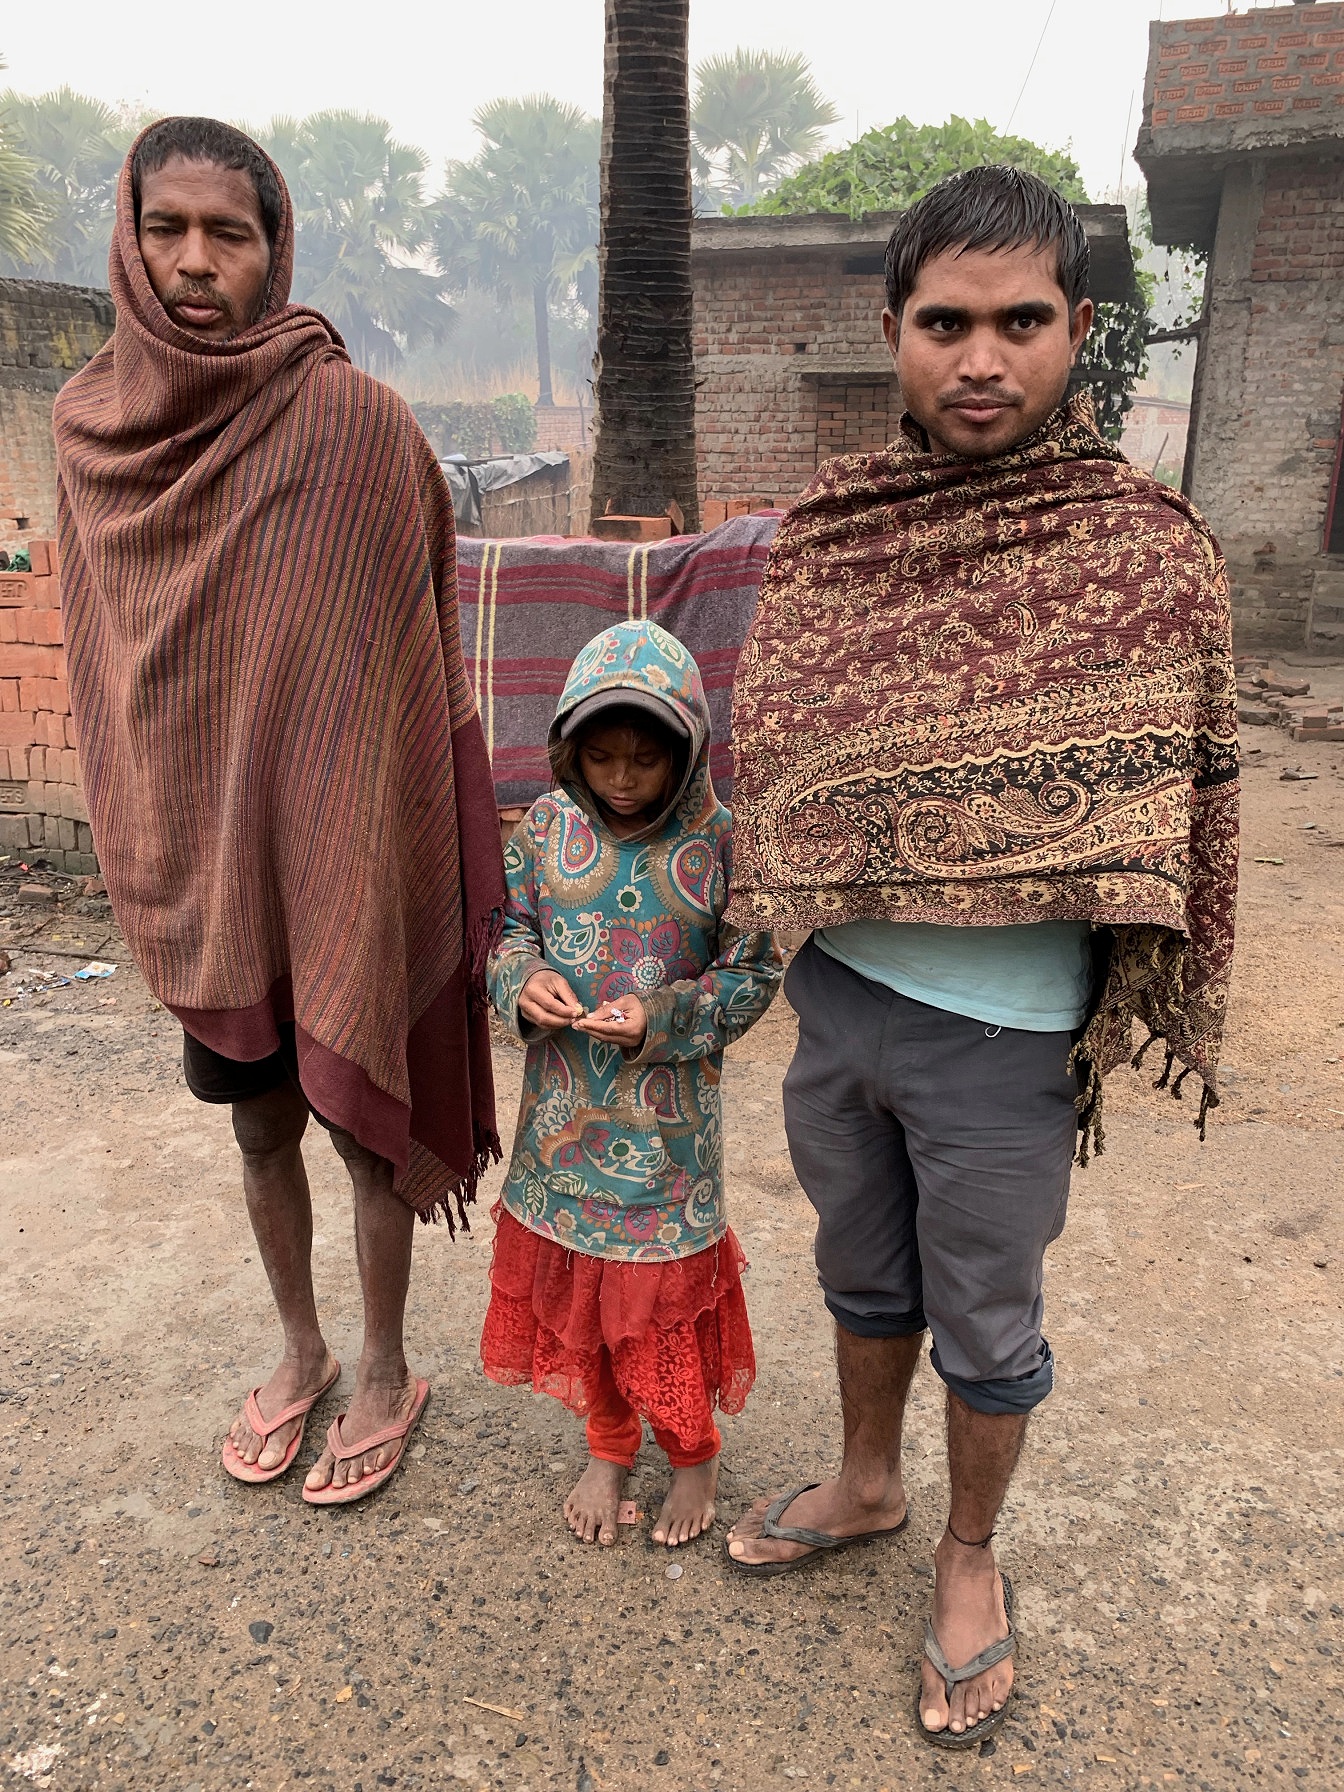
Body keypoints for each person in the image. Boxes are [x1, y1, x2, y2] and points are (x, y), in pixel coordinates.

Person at [722, 166, 1238, 1745]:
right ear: (892, 333)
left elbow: (1189, 796)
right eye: (945, 323)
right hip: (840, 1010)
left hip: (1006, 1043)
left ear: (1080, 330)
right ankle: (872, 1485)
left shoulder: (1145, 554)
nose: (982, 359)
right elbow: (778, 750)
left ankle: (968, 1554)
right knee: (861, 1277)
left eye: (1023, 322)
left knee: (989, 1320)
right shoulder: (827, 541)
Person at [53, 119, 504, 1506]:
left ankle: (382, 1364)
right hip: (200, 855)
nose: (195, 260)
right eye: (168, 227)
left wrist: (369, 830)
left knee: (366, 1126)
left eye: (227, 232)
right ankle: (298, 1348)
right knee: (257, 1126)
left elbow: (401, 648)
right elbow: (110, 664)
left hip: (345, 844)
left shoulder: (358, 429)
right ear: (128, 240)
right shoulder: (90, 435)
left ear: (275, 249)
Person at [481, 621, 781, 1548]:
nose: (619, 778)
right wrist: (521, 982)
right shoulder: (544, 829)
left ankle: (693, 1450)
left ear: (685, 751)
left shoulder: (722, 842)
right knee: (582, 1298)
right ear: (571, 751)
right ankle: (609, 1443)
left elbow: (753, 973)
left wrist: (667, 1016)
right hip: (563, 1124)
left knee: (659, 1300)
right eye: (601, 757)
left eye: (643, 761)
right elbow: (507, 928)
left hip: (667, 1138)